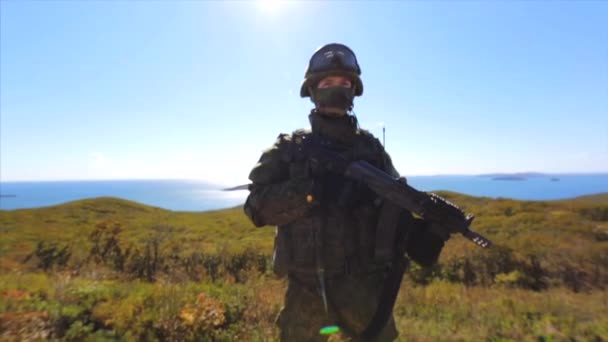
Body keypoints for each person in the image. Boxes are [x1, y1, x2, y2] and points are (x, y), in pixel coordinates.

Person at [244, 43, 447, 341]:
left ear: (354, 91)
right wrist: (312, 193)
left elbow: (393, 208)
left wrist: (426, 231)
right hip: (306, 290)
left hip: (364, 289)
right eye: (327, 83)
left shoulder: (372, 152)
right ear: (312, 90)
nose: (336, 89)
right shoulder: (288, 150)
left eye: (344, 83)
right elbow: (255, 207)